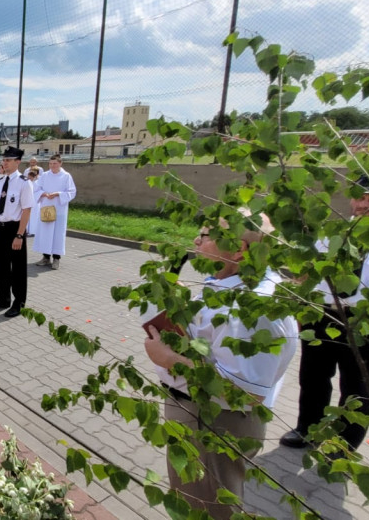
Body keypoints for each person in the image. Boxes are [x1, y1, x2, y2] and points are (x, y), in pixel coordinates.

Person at [144, 213, 298, 520]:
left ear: (239, 250)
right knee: (193, 500)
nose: (196, 242)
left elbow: (243, 394)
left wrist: (168, 359)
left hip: (215, 421)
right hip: (201, 412)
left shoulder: (255, 307)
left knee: (207, 509)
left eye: (205, 236)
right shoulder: (231, 283)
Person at [280, 177, 369, 451]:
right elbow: (306, 272)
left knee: (358, 389)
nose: (364, 204)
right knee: (313, 377)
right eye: (359, 196)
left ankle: (343, 446)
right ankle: (307, 428)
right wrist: (303, 305)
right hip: (322, 315)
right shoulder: (331, 231)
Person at [0, 146, 34, 318]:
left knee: (18, 268)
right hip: (0, 227)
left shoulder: (24, 182)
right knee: (2, 266)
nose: (4, 163)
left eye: (8, 160)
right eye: (4, 160)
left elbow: (27, 210)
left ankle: (18, 302)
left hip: (14, 228)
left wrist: (20, 234)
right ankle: (3, 297)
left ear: (17, 162)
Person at [32, 155, 77, 269]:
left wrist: (58, 194)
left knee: (57, 234)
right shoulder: (45, 175)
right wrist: (44, 194)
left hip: (59, 210)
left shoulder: (66, 176)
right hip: (46, 208)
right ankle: (46, 257)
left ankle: (56, 259)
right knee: (46, 233)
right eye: (50, 163)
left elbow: (72, 192)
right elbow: (36, 188)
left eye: (55, 164)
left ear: (60, 163)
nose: (52, 166)